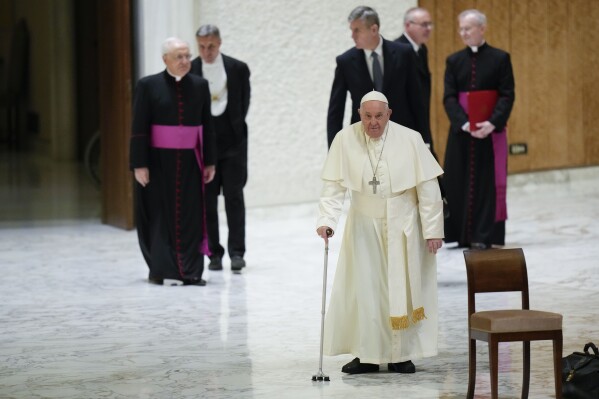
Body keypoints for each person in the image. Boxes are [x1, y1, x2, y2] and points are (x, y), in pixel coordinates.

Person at [316, 91, 444, 374]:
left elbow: (428, 188)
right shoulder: (345, 139)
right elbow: (333, 187)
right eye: (367, 116)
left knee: (404, 288)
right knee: (366, 289)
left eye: (379, 116)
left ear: (389, 114)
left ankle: (401, 355)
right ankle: (368, 355)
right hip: (363, 225)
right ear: (360, 114)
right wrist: (327, 220)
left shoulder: (410, 139)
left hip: (404, 225)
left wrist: (433, 230)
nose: (373, 123)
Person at [130, 37, 216, 286]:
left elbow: (207, 127)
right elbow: (138, 127)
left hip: (190, 162)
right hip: (157, 163)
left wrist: (209, 162)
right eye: (179, 57)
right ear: (164, 59)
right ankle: (160, 269)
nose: (185, 61)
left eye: (188, 56)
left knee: (190, 216)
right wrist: (139, 164)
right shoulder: (148, 85)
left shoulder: (200, 86)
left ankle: (191, 272)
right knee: (159, 217)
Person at [442, 9, 515, 249]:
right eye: (460, 29)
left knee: (489, 184)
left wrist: (491, 123)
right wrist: (465, 124)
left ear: (482, 29)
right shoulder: (453, 61)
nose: (463, 33)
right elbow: (449, 98)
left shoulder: (500, 58)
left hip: (490, 133)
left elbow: (507, 95)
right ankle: (462, 235)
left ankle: (488, 235)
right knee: (457, 182)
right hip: (462, 134)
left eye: (468, 28)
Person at [190, 25, 251, 272]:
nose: (207, 52)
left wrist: (234, 130)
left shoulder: (238, 68)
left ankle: (237, 252)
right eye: (202, 47)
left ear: (220, 43)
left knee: (234, 197)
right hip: (204, 145)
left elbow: (243, 103)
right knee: (207, 200)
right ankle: (213, 252)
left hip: (233, 144)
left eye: (211, 46)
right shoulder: (192, 69)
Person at [326, 6, 429, 148]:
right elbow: (335, 111)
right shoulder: (345, 62)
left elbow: (417, 100)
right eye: (352, 30)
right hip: (363, 142)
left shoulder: (404, 53)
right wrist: (334, 150)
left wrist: (425, 141)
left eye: (357, 30)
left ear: (373, 29)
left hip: (401, 139)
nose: (352, 36)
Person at [395, 7, 433, 152]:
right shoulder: (397, 50)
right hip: (405, 126)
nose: (428, 29)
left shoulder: (422, 49)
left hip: (421, 120)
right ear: (408, 25)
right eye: (423, 24)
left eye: (430, 24)